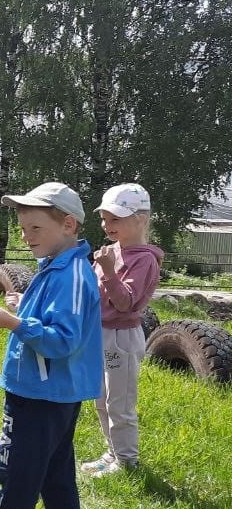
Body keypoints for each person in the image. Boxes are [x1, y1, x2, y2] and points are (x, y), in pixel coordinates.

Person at [0, 182, 102, 509]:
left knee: (18, 474)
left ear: (68, 225)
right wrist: (23, 307)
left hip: (41, 396)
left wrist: (14, 322)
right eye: (22, 228)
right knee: (55, 473)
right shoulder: (56, 265)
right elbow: (52, 318)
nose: (26, 236)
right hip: (49, 393)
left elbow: (63, 340)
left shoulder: (72, 275)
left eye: (35, 228)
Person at [81, 183, 163, 478]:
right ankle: (112, 453)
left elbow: (126, 303)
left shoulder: (145, 260)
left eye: (115, 218)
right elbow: (93, 292)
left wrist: (109, 271)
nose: (106, 225)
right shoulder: (110, 252)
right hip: (99, 334)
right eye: (104, 218)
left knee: (119, 402)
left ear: (140, 219)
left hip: (121, 339)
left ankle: (127, 461)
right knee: (100, 399)